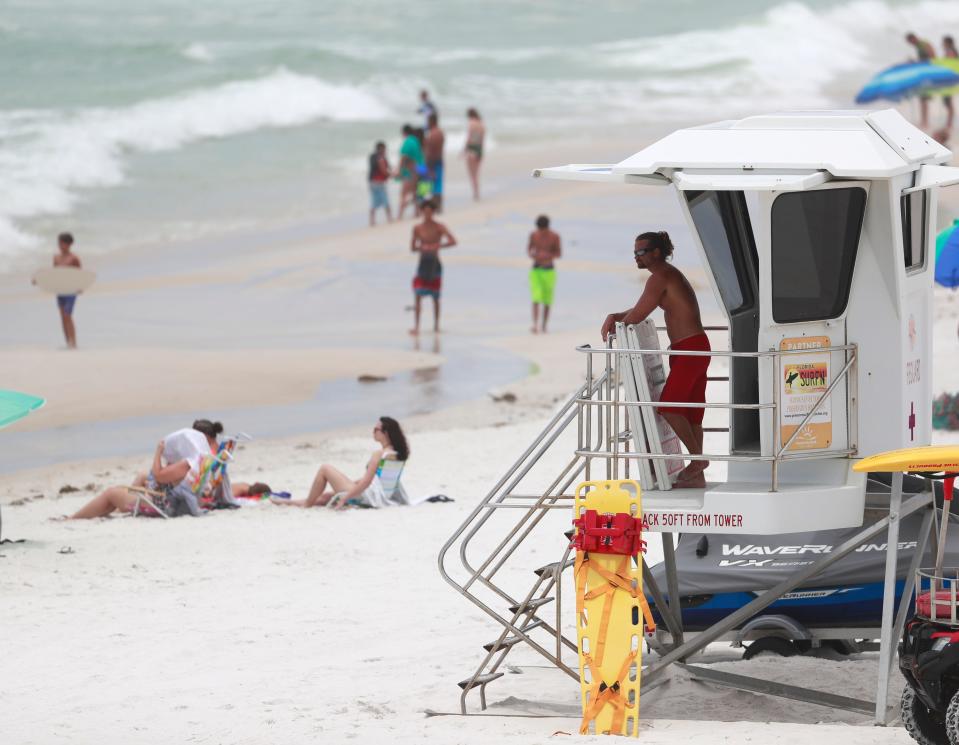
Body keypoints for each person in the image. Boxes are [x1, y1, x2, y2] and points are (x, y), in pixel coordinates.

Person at [600, 231, 710, 488]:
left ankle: (697, 461)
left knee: (670, 407)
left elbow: (637, 315)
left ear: (656, 253)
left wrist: (618, 324)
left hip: (690, 348)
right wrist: (616, 316)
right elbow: (641, 307)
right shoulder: (667, 275)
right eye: (635, 252)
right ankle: (697, 475)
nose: (636, 257)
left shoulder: (659, 277)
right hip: (693, 346)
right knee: (691, 413)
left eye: (641, 252)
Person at [272, 417, 409, 509]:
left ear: (386, 434)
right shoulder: (396, 454)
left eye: (376, 430)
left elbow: (367, 482)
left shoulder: (379, 454)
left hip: (366, 497)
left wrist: (345, 499)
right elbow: (380, 480)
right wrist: (352, 484)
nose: (373, 432)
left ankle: (306, 504)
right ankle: (288, 502)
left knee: (325, 468)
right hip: (378, 497)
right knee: (326, 497)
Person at [69, 438, 217, 518]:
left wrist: (158, 452)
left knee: (111, 492)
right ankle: (108, 509)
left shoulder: (185, 466)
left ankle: (73, 518)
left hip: (161, 504)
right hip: (168, 500)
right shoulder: (197, 464)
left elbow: (158, 475)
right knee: (121, 490)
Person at [410, 199, 456, 335]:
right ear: (422, 212)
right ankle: (416, 326)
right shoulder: (417, 228)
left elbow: (453, 241)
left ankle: (436, 326)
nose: (428, 215)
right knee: (418, 294)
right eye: (425, 212)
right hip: (422, 262)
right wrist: (423, 247)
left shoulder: (439, 227)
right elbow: (412, 247)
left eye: (430, 212)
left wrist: (438, 246)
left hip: (435, 263)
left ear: (434, 212)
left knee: (435, 297)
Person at [527, 215, 561, 334]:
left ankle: (544, 325)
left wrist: (547, 255)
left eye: (543, 230)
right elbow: (529, 250)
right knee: (536, 297)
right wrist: (536, 255)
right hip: (536, 269)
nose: (541, 233)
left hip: (549, 270)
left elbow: (558, 253)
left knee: (547, 299)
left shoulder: (555, 236)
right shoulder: (533, 235)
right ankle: (535, 324)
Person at [53, 232, 81, 349]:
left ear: (69, 244)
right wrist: (39, 280)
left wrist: (80, 287)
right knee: (62, 316)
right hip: (60, 289)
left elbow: (80, 274)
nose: (60, 245)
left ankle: (73, 342)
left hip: (71, 290)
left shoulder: (74, 258)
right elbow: (53, 274)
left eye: (63, 243)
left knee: (67, 315)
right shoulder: (56, 258)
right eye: (59, 243)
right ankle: (67, 342)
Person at [906, 32, 937, 129]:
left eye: (910, 42)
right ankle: (924, 121)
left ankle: (925, 122)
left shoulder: (923, 44)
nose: (911, 44)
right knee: (923, 99)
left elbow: (932, 57)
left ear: (913, 38)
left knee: (924, 98)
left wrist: (916, 62)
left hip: (927, 74)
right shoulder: (919, 46)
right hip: (924, 74)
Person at [398, 124, 424, 219]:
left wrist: (399, 170)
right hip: (420, 169)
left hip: (411, 171)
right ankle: (416, 212)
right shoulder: (416, 140)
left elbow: (404, 156)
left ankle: (400, 215)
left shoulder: (408, 141)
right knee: (414, 192)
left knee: (404, 193)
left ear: (404, 132)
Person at [424, 113, 445, 212]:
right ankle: (438, 207)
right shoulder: (440, 132)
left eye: (428, 121)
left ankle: (434, 207)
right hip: (439, 160)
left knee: (432, 185)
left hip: (433, 162)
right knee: (438, 184)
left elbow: (431, 150)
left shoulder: (433, 133)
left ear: (432, 121)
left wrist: (429, 164)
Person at [368, 141, 393, 227]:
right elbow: (384, 171)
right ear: (382, 149)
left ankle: (372, 221)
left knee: (374, 201)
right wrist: (393, 175)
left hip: (372, 182)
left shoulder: (373, 157)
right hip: (379, 183)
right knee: (385, 200)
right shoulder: (381, 158)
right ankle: (389, 218)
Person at [464, 108, 485, 201]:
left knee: (472, 174)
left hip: (472, 149)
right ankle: (477, 192)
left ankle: (475, 193)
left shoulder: (472, 123)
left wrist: (464, 149)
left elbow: (469, 138)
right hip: (479, 149)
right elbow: (481, 140)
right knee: (476, 174)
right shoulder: (481, 124)